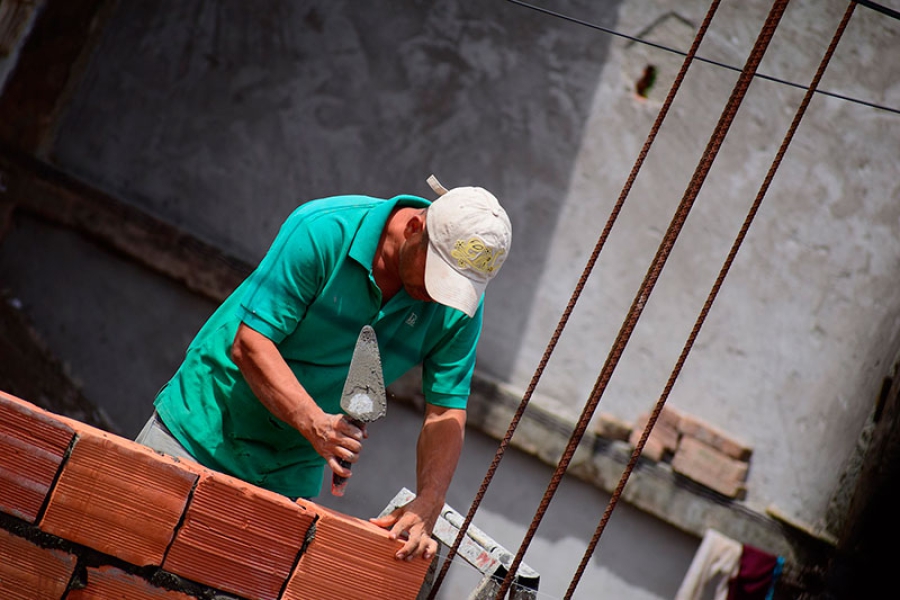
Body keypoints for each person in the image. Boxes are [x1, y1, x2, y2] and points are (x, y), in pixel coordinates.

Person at [135, 174, 512, 563]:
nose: (438, 292)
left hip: (287, 472)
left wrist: (430, 500)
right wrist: (316, 423)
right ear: (415, 227)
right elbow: (250, 344)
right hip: (200, 431)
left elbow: (446, 410)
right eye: (437, 275)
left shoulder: (456, 304)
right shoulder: (324, 229)